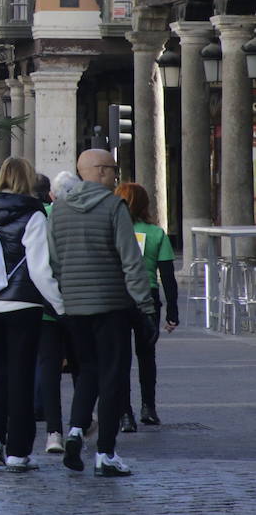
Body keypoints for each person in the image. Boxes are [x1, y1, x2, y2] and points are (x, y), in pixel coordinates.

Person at [48, 149, 155, 477]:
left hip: (75, 307)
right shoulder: (113, 207)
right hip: (111, 305)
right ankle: (106, 453)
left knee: (88, 372)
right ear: (100, 172)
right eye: (113, 170)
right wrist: (146, 305)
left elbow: (53, 260)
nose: (116, 176)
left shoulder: (59, 209)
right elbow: (130, 261)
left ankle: (76, 432)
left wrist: (65, 297)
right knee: (112, 377)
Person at [0, 157, 64, 474]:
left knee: (1, 372)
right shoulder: (33, 214)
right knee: (21, 376)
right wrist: (60, 306)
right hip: (22, 305)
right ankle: (18, 451)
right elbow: (39, 268)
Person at [114, 182, 178, 431]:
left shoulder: (114, 230)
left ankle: (125, 414)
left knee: (120, 357)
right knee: (146, 355)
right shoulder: (156, 233)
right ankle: (148, 408)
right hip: (148, 297)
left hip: (118, 295)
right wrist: (172, 313)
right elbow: (168, 277)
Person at [36, 169, 81, 455]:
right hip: (81, 303)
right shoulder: (86, 216)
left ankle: (54, 431)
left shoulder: (42, 218)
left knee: (50, 368)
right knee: (82, 366)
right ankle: (79, 424)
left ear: (52, 195)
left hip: (48, 305)